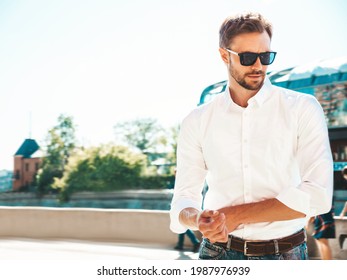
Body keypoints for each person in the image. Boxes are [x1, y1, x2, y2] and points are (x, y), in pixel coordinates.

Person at [170, 12, 333, 260]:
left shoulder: (302, 108)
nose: (258, 66)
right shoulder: (197, 120)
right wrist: (198, 219)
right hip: (217, 254)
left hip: (285, 255)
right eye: (247, 57)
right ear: (225, 55)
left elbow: (319, 195)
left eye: (265, 56)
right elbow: (183, 198)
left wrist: (235, 215)